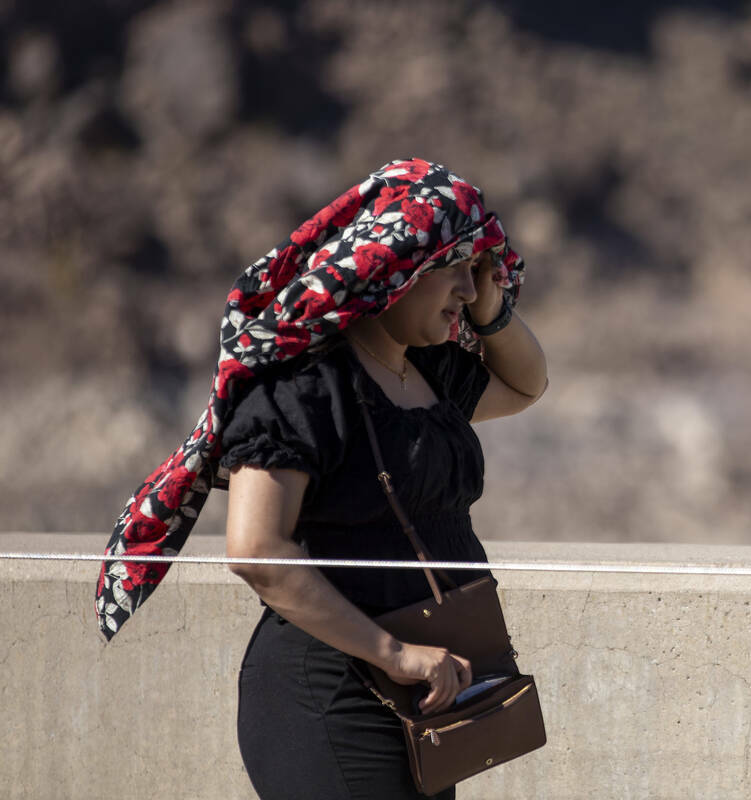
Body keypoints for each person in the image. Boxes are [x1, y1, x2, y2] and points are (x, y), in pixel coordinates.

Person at [95, 158, 546, 799]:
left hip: (430, 691)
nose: (469, 292)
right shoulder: (301, 384)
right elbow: (256, 550)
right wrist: (393, 653)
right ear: (396, 268)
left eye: (478, 271)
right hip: (336, 694)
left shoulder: (430, 371)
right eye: (455, 269)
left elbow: (526, 385)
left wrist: (495, 310)